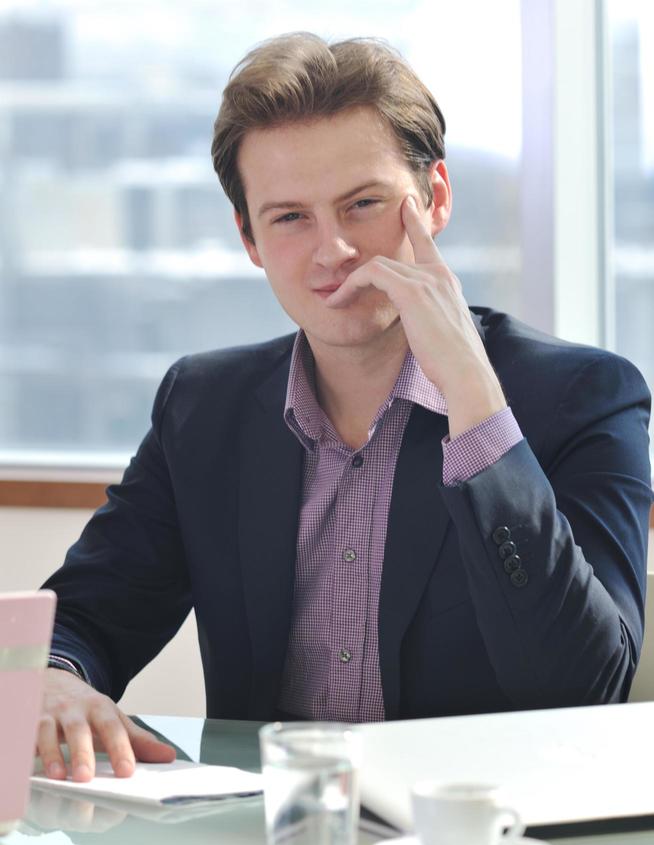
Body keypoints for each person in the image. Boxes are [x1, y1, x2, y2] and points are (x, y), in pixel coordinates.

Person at [38, 33, 651, 782]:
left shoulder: (585, 399)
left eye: (363, 204)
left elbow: (582, 690)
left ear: (435, 199)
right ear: (249, 239)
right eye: (290, 218)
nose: (332, 250)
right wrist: (54, 677)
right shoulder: (204, 408)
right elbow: (86, 615)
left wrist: (473, 399)